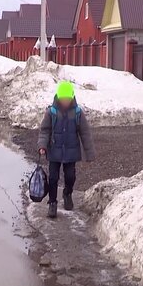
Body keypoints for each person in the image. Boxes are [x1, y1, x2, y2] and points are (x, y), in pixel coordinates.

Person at [38, 81, 95, 218]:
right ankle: (52, 203)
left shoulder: (77, 113)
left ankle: (67, 193)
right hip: (54, 151)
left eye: (67, 99)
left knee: (70, 176)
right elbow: (44, 131)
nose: (65, 101)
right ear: (58, 97)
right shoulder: (51, 112)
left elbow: (85, 133)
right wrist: (42, 146)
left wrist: (89, 153)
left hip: (71, 151)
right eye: (63, 99)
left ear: (71, 97)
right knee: (53, 178)